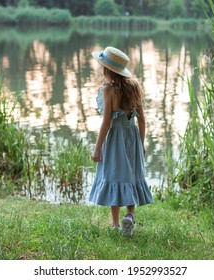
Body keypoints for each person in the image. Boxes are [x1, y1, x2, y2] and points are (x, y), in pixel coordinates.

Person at [89, 46, 153, 236]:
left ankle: (116, 224)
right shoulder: (134, 87)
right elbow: (142, 118)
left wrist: (97, 147)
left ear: (107, 69)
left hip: (115, 137)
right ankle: (130, 216)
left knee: (114, 175)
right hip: (132, 136)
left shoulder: (108, 90)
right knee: (132, 175)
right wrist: (141, 143)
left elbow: (107, 121)